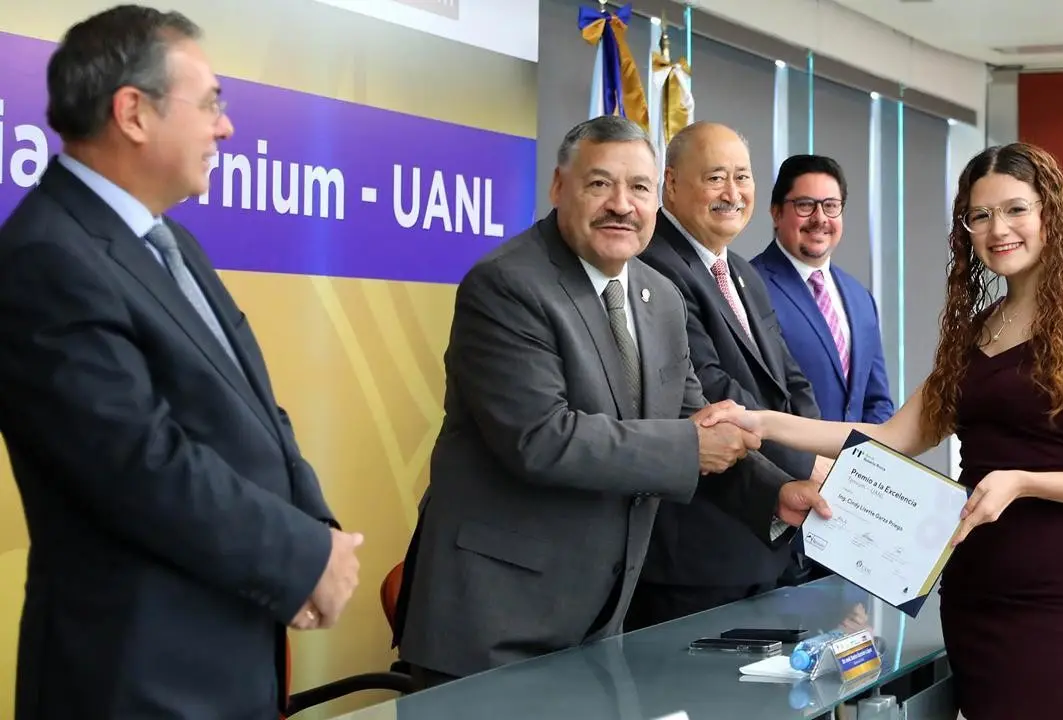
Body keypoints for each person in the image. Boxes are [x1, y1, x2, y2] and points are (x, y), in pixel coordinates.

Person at [703, 142, 1063, 720]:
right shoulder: (979, 332)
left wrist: (1023, 482)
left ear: (1050, 211)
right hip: (973, 585)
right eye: (981, 215)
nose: (999, 228)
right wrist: (761, 422)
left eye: (1016, 209)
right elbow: (891, 437)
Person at [0, 6, 361, 719]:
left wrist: (316, 533)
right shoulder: (46, 256)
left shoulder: (173, 244)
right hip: (132, 678)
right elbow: (139, 465)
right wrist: (297, 557)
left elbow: (254, 409)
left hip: (224, 656)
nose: (225, 127)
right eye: (211, 103)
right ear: (133, 112)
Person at [391, 115, 831, 687]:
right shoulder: (507, 285)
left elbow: (691, 423)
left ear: (657, 197)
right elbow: (543, 439)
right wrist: (694, 443)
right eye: (600, 184)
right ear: (558, 188)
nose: (621, 205)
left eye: (639, 188)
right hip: (495, 622)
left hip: (601, 620)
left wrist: (776, 493)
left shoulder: (660, 296)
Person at [626, 122, 829, 630]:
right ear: (670, 185)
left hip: (765, 539)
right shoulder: (654, 268)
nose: (732, 193)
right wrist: (809, 461)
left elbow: (791, 381)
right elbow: (712, 391)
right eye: (716, 177)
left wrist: (819, 454)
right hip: (698, 552)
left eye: (743, 176)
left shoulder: (741, 270)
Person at [751, 154, 894, 586]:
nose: (820, 219)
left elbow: (876, 401)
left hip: (850, 517)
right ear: (776, 212)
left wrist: (867, 483)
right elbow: (756, 401)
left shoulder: (858, 296)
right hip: (782, 508)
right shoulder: (751, 287)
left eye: (831, 206)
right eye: (805, 205)